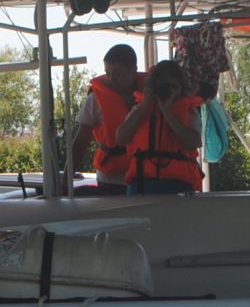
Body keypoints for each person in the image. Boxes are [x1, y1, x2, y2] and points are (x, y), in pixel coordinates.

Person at [114, 58, 204, 195]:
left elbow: (193, 142)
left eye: (172, 87)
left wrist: (168, 113)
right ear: (152, 87)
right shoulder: (140, 109)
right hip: (142, 183)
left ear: (181, 88)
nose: (167, 91)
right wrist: (144, 106)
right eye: (162, 86)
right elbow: (121, 138)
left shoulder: (189, 111)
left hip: (179, 186)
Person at [70, 43, 146, 195]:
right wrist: (66, 179)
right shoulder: (95, 99)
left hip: (146, 177)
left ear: (133, 70)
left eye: (118, 74)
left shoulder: (152, 97)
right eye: (108, 73)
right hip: (110, 180)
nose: (111, 80)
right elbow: (80, 140)